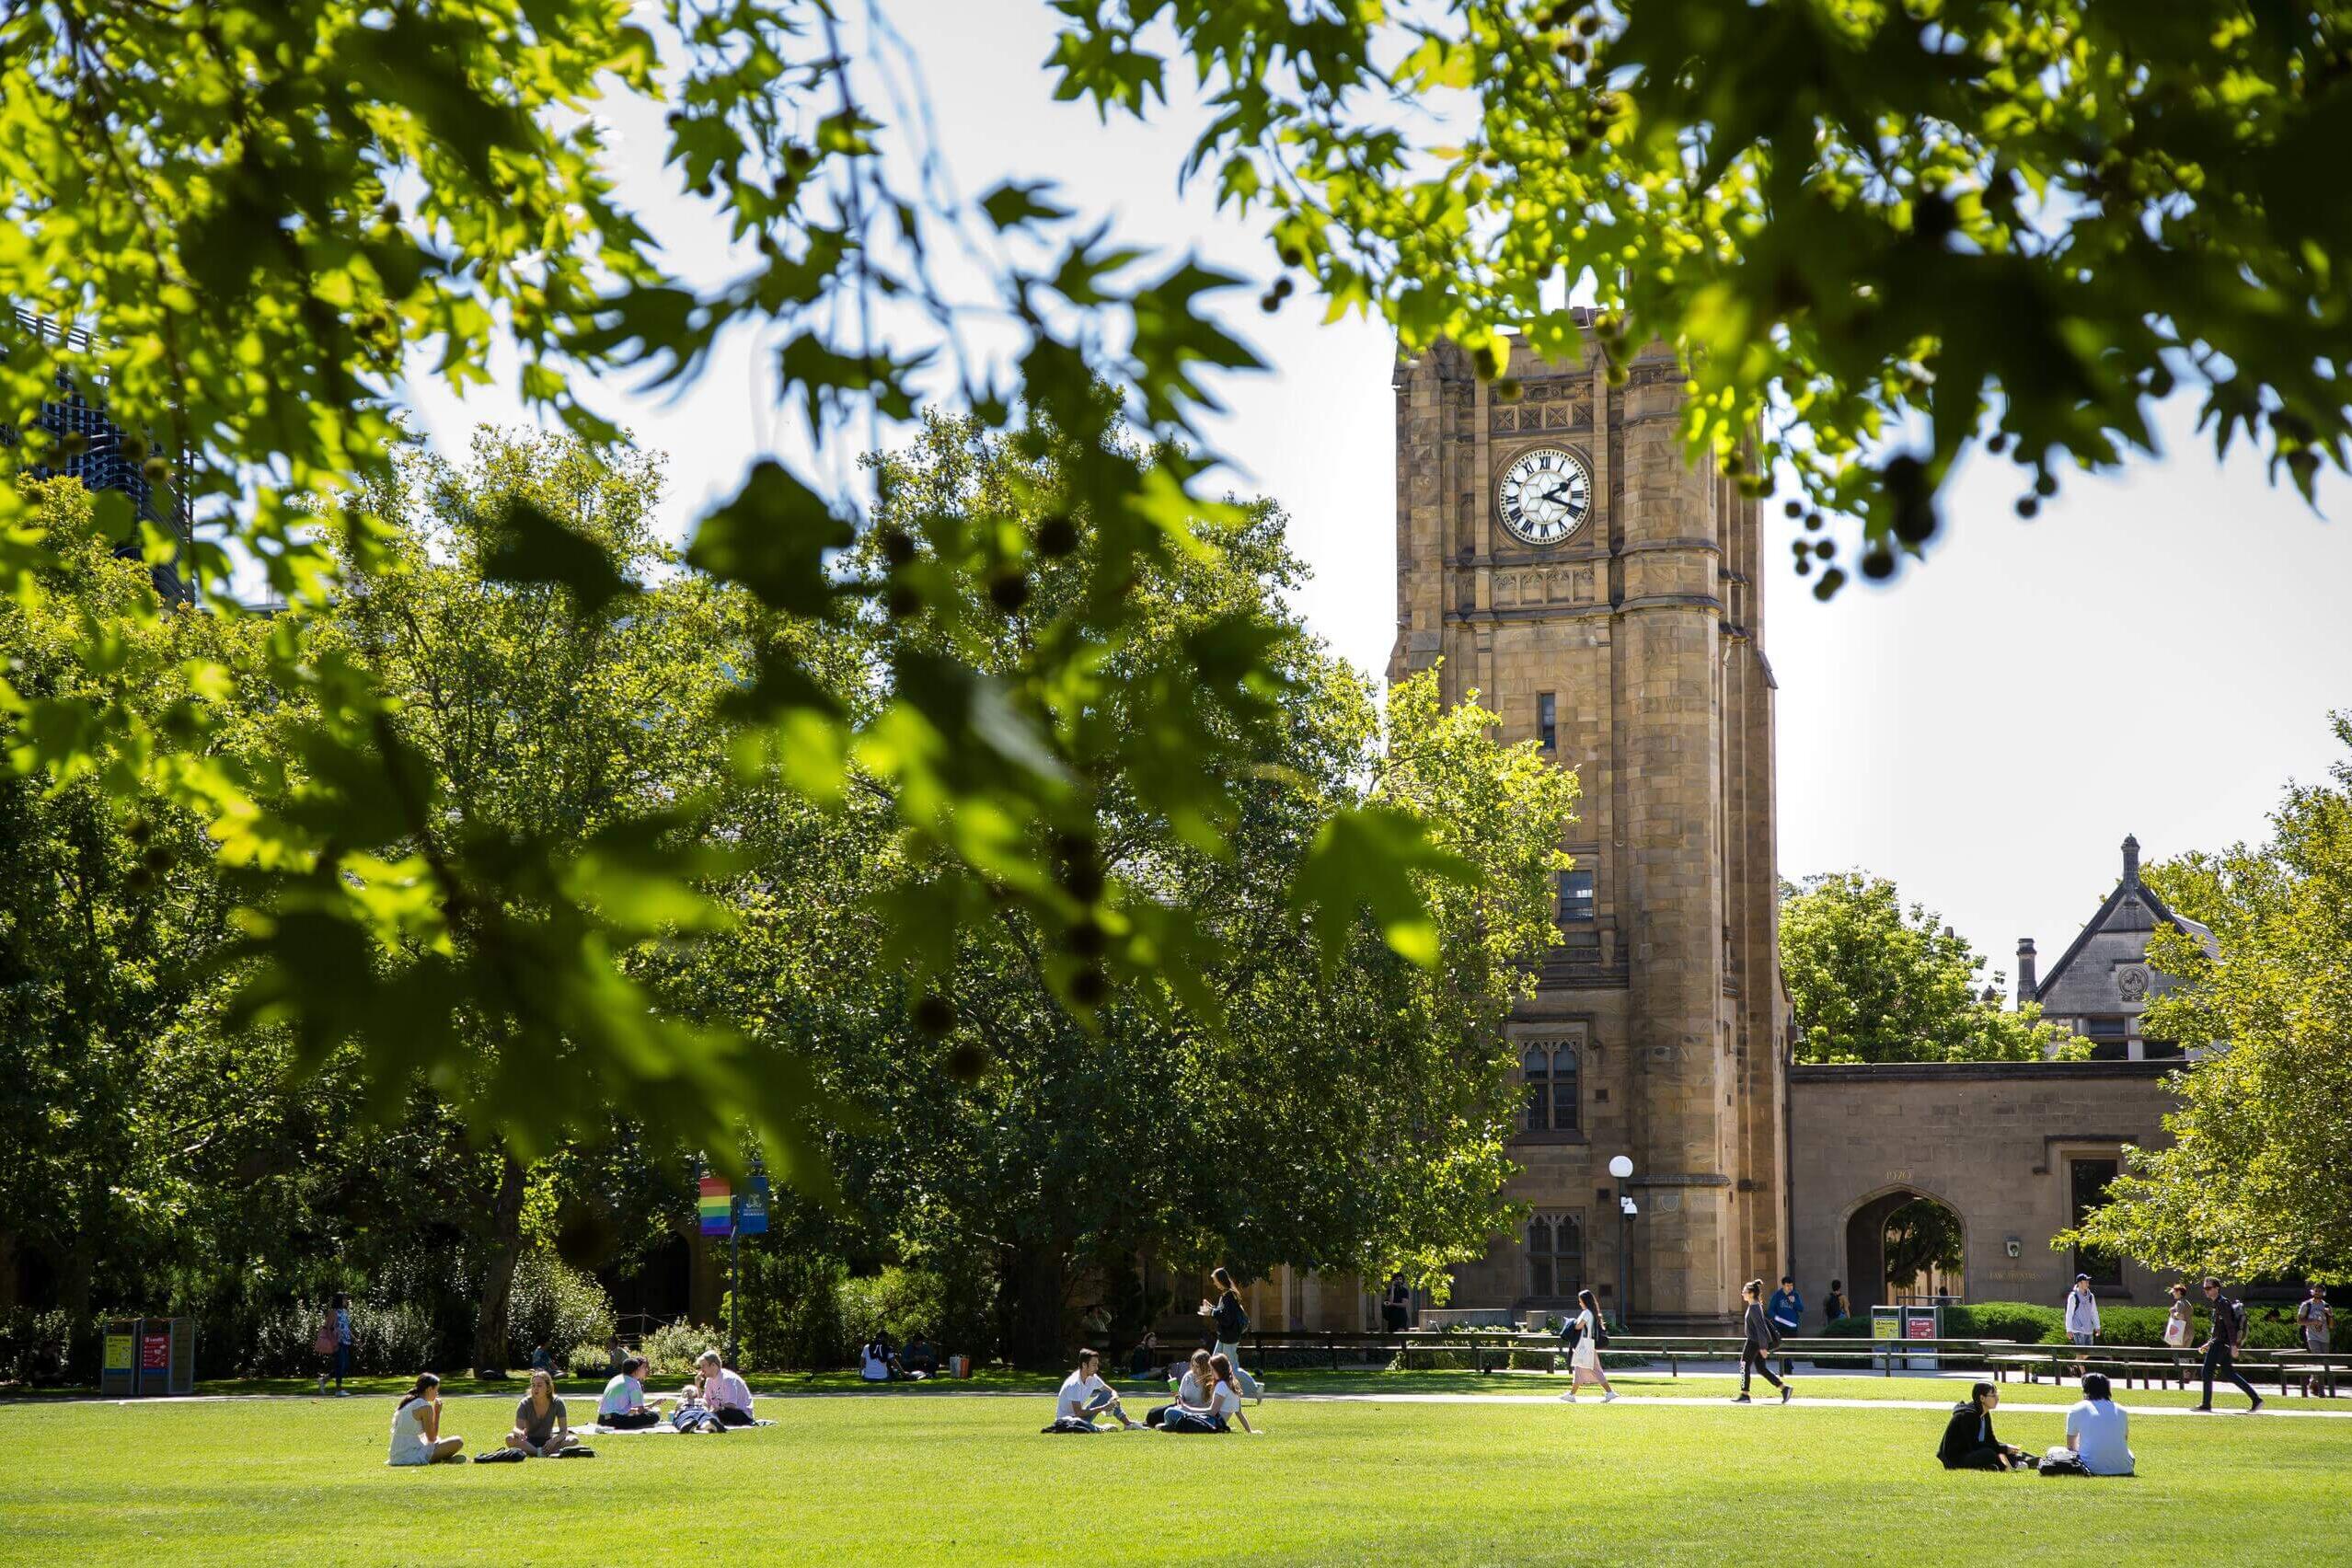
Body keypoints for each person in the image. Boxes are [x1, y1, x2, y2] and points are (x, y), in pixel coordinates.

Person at [2194, 1277, 2264, 1413]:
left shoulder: (2222, 1303)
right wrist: (2209, 1343)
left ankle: (2206, 1404)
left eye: (2208, 1288)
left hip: (2222, 1344)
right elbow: (2219, 1329)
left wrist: (2233, 1345)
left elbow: (2230, 1326)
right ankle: (2256, 1400)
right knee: (2229, 1373)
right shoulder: (2218, 1303)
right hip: (2220, 1343)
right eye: (2205, 1288)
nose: (2206, 1291)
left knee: (2207, 1371)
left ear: (2216, 1288)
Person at [2046, 1372, 2134, 1476]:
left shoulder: (2077, 1408)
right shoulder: (2121, 1409)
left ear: (2085, 1388)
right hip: (2125, 1468)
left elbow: (2071, 1446)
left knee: (2053, 1450)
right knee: (2130, 1453)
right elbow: (2124, 1439)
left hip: (2091, 1467)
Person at [1198, 1267, 1262, 1401]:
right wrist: (1212, 1308)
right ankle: (1215, 1395)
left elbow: (1227, 1319)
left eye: (1215, 1280)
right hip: (1224, 1337)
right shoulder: (1226, 1295)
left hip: (1230, 1337)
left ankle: (1256, 1389)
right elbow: (1224, 1313)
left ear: (1221, 1280)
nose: (1214, 1283)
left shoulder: (1229, 1296)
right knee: (1214, 1363)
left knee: (1233, 1368)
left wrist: (1212, 1312)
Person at [1937, 1382, 2024, 1471]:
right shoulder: (1968, 1415)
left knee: (2006, 1451)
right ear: (1982, 1398)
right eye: (1993, 1395)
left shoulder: (1985, 1414)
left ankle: (2025, 1462)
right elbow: (1974, 1445)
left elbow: (1990, 1439)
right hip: (1956, 1458)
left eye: (1997, 1395)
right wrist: (2002, 1449)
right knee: (1989, 1453)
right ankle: (2003, 1466)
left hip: (1972, 1452)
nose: (1997, 1398)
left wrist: (2005, 1448)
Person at [387, 1373, 466, 1466]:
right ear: (429, 1389)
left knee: (438, 1440)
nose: (437, 1394)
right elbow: (431, 1437)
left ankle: (444, 1459)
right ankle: (443, 1459)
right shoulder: (425, 1406)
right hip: (409, 1456)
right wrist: (437, 1412)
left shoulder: (408, 1401)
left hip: (396, 1456)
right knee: (458, 1441)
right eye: (436, 1390)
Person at [1733, 1279, 1791, 1404]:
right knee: (1761, 1368)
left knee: (1744, 1365)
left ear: (1751, 1293)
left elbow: (1761, 1328)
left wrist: (1763, 1347)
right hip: (1756, 1341)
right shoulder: (1754, 1306)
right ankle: (1784, 1388)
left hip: (1754, 1342)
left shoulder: (1754, 1307)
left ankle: (1745, 1394)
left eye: (1745, 1291)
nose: (1742, 1293)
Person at [1556, 1287, 1618, 1403]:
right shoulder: (1592, 1312)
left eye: (1580, 1301)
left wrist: (1572, 1321)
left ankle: (1572, 1395)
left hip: (1584, 1345)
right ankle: (1609, 1393)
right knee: (1594, 1370)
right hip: (1589, 1344)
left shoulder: (1586, 1313)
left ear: (1585, 1301)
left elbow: (1578, 1326)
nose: (1579, 1303)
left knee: (1581, 1370)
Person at [1057, 1348, 1143, 1430]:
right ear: (1084, 1365)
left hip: (1080, 1419)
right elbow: (1079, 1412)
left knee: (1106, 1395)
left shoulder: (1092, 1378)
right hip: (1067, 1423)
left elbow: (1111, 1391)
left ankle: (1128, 1424)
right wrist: (1103, 1408)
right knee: (1092, 1429)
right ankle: (1101, 1428)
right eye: (1094, 1365)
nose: (1097, 1368)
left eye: (1097, 1365)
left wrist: (1115, 1398)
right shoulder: (1074, 1384)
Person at [506, 1367, 581, 1456]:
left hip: (548, 1442)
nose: (535, 1388)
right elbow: (517, 1428)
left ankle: (541, 1451)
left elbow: (564, 1431)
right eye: (533, 1385)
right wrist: (519, 1433)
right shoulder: (525, 1403)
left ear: (548, 1387)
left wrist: (554, 1440)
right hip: (528, 1442)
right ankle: (539, 1452)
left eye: (539, 1385)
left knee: (573, 1439)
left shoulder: (557, 1402)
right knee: (509, 1438)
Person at [598, 1354, 663, 1430]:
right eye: (643, 1368)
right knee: (654, 1416)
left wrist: (653, 1404)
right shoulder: (633, 1383)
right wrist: (653, 1411)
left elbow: (624, 1409)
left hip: (602, 1420)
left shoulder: (616, 1379)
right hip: (615, 1421)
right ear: (636, 1370)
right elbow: (640, 1410)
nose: (646, 1370)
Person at [696, 1350, 759, 1424]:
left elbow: (731, 1405)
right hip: (722, 1412)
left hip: (742, 1414)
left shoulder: (728, 1379)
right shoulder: (709, 1380)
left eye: (703, 1366)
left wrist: (711, 1412)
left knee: (721, 1412)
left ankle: (707, 1422)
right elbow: (705, 1404)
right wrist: (698, 1386)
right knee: (698, 1412)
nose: (701, 1369)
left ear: (713, 1365)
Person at [318, 1291, 353, 1397]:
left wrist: (355, 1339)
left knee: (345, 1366)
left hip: (346, 1341)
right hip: (337, 1341)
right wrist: (334, 1342)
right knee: (340, 1365)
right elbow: (328, 1328)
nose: (346, 1301)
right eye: (344, 1299)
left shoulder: (344, 1312)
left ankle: (324, 1380)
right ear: (339, 1300)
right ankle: (339, 1390)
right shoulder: (333, 1312)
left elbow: (346, 1328)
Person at [1768, 1275, 1804, 1375]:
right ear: (1783, 1286)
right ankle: (1787, 1367)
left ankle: (1788, 1364)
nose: (1790, 1288)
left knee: (1791, 1347)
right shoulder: (1777, 1295)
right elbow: (1770, 1310)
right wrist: (1776, 1318)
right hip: (1780, 1326)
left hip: (1792, 1326)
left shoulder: (1795, 1295)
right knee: (1783, 1347)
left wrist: (1794, 1302)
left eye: (1791, 1285)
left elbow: (1801, 1308)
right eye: (1788, 1286)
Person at [2065, 1274, 2101, 1357]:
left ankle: (2074, 1364)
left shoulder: (2091, 1296)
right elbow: (2069, 1313)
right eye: (2086, 1281)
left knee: (2088, 1353)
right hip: (2078, 1329)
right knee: (2081, 1353)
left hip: (2089, 1329)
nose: (2088, 1283)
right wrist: (2069, 1329)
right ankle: (2082, 1370)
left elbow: (2094, 1312)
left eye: (2088, 1281)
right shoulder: (2073, 1296)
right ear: (2080, 1283)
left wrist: (2097, 1326)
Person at [2298, 1282, 2334, 1355]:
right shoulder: (2306, 1305)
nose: (2317, 1293)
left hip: (2325, 1338)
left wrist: (2330, 1315)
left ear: (2323, 1293)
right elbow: (2299, 1321)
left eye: (2319, 1291)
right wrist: (2313, 1321)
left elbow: (2331, 1326)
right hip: (2312, 1337)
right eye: (2315, 1291)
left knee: (2325, 1360)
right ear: (2312, 1292)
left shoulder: (2327, 1306)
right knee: (2318, 1357)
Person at [2162, 1281, 2195, 1349]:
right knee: (2184, 1356)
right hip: (2190, 1332)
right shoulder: (2187, 1303)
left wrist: (2173, 1312)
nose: (2173, 1294)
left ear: (2179, 1292)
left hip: (2181, 1332)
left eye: (2174, 1292)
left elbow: (2181, 1316)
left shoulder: (2179, 1303)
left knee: (2176, 1354)